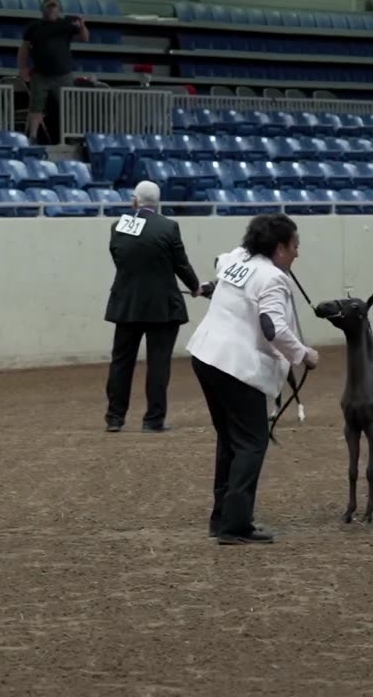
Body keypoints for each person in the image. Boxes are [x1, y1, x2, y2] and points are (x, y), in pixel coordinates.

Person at [186, 213, 318, 545]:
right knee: (251, 443)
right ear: (279, 247)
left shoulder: (238, 258)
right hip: (235, 365)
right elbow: (272, 328)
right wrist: (303, 354)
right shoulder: (273, 278)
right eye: (294, 246)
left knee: (230, 439)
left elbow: (221, 261)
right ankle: (235, 526)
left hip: (205, 355)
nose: (297, 253)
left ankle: (222, 518)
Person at [103, 181, 201, 433]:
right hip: (162, 305)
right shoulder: (168, 226)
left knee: (121, 361)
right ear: (157, 202)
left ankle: (115, 418)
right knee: (159, 363)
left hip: (127, 303)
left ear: (135, 201)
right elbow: (181, 263)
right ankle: (153, 419)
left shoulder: (119, 226)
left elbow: (118, 256)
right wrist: (194, 286)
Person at [18, 0, 88, 144]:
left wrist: (82, 25)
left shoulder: (66, 24)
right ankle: (33, 137)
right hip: (40, 74)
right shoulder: (34, 27)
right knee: (36, 107)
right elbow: (24, 49)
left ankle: (71, 138)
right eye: (48, 6)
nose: (51, 9)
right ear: (43, 9)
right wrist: (23, 67)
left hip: (63, 75)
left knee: (69, 107)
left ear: (59, 9)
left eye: (54, 6)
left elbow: (85, 38)